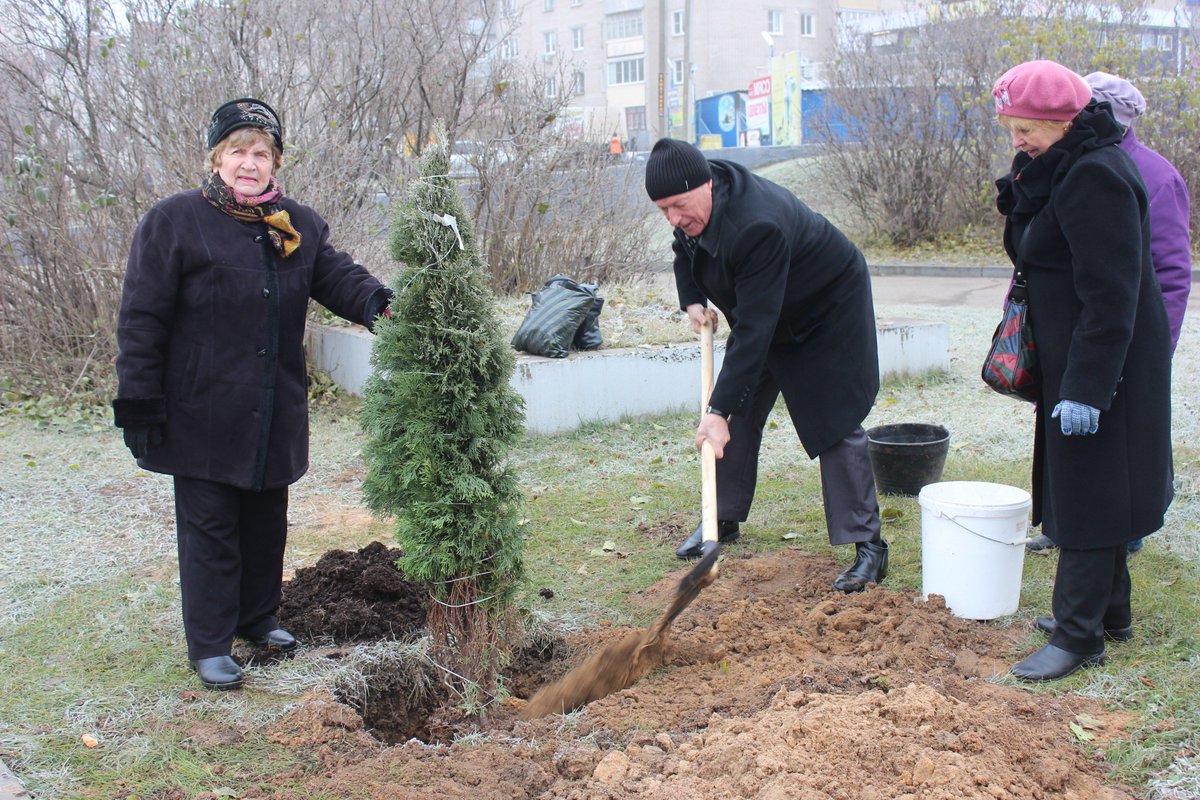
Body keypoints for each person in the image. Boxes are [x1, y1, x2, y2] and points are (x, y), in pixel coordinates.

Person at [111, 98, 393, 691]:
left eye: (261, 152)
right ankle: (210, 642)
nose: (249, 162)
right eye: (237, 150)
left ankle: (257, 617)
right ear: (217, 158)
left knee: (267, 519)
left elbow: (337, 275)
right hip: (201, 410)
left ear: (276, 161)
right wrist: (139, 401)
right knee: (211, 525)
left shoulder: (297, 223)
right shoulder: (174, 222)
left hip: (274, 407)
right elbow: (142, 317)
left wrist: (381, 306)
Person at [992, 61, 1173, 681]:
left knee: (1093, 488)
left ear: (1060, 120)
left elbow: (1112, 292)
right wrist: (1025, 176)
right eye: (1011, 130)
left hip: (1105, 358)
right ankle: (1110, 615)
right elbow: (1037, 242)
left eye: (1025, 130)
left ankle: (1078, 636)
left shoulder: (1096, 176)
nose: (1016, 140)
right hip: (1075, 353)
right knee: (1095, 481)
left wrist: (1090, 388)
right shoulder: (1063, 164)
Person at [644, 138, 886, 594]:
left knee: (833, 420)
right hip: (770, 305)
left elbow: (755, 330)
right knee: (740, 403)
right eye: (663, 210)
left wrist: (714, 413)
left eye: (678, 206)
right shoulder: (695, 200)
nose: (673, 218)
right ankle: (723, 517)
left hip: (824, 308)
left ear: (706, 185)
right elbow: (685, 247)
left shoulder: (757, 225)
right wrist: (692, 300)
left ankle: (868, 545)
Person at [1025, 72, 1192, 557]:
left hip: (1120, 336)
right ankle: (1066, 524)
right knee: (1072, 446)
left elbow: (1169, 272)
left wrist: (1157, 347)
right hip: (1078, 339)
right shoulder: (1065, 163)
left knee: (1121, 450)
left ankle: (1119, 531)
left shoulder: (1151, 175)